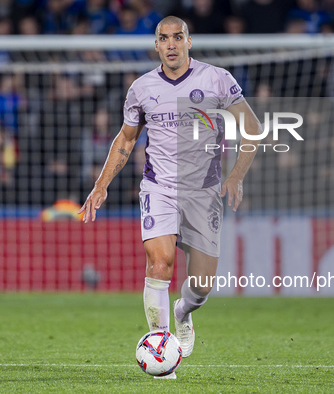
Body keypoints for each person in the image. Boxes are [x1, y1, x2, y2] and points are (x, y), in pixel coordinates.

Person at [79, 16, 260, 378]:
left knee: (202, 285)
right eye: (165, 38)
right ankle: (161, 347)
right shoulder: (142, 88)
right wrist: (101, 184)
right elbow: (127, 140)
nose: (172, 44)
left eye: (178, 37)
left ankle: (183, 312)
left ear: (189, 42)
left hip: (203, 192)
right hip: (158, 187)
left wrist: (236, 176)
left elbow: (252, 128)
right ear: (157, 45)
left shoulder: (216, 79)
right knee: (159, 262)